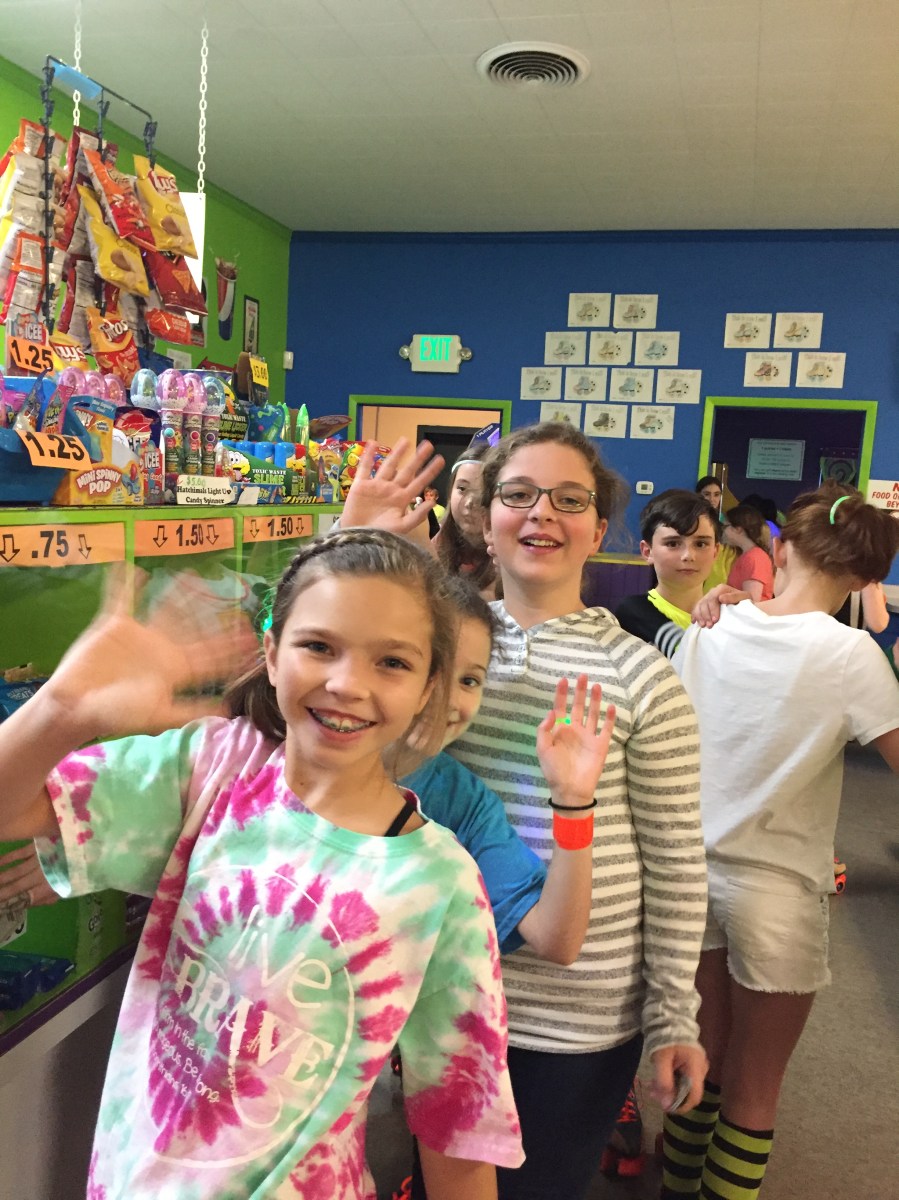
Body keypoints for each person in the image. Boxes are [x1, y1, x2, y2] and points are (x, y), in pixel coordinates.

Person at [0, 530, 526, 1200]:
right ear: (272, 654)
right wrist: (61, 710)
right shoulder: (214, 769)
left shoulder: (439, 885)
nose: (346, 684)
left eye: (392, 662)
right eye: (319, 647)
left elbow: (457, 1128)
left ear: (429, 688)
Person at [344, 423, 710, 1200]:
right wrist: (351, 540)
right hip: (443, 988)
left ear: (599, 529)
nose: (541, 512)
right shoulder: (435, 646)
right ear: (486, 518)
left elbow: (677, 862)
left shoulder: (641, 675)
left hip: (575, 1017)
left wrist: (673, 1016)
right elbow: (319, 682)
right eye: (518, 494)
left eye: (568, 500)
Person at [664, 483, 899, 1200]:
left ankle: (676, 1189)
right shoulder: (852, 654)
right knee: (755, 1082)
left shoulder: (708, 626)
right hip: (779, 890)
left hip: (688, 873)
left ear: (782, 547)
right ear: (864, 578)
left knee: (702, 1058)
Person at [616, 489, 721, 659]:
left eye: (701, 544)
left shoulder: (728, 615)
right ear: (647, 551)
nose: (688, 556)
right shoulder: (633, 613)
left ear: (715, 551)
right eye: (673, 543)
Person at [431, 442, 498, 599]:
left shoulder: (507, 559)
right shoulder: (436, 544)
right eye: (462, 489)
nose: (469, 503)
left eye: (483, 492)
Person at [723, 503, 775, 602]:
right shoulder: (749, 555)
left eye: (726, 526)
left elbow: (751, 600)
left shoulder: (754, 557)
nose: (724, 530)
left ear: (738, 529)